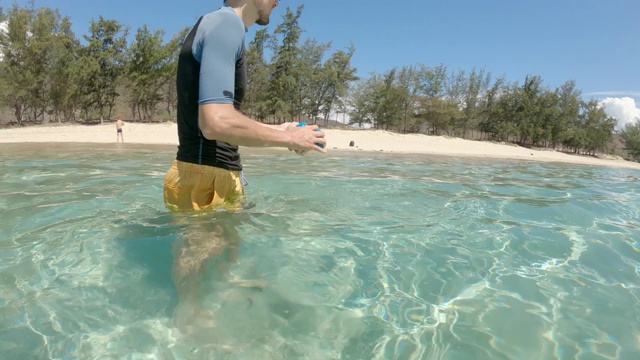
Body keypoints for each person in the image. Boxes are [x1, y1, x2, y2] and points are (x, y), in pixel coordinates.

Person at [163, 0, 326, 333]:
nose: (278, 2)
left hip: (210, 175)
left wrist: (280, 130)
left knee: (224, 251)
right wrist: (288, 141)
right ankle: (189, 322)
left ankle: (216, 294)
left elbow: (221, 115)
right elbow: (215, 122)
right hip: (204, 177)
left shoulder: (219, 24)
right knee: (197, 282)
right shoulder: (226, 25)